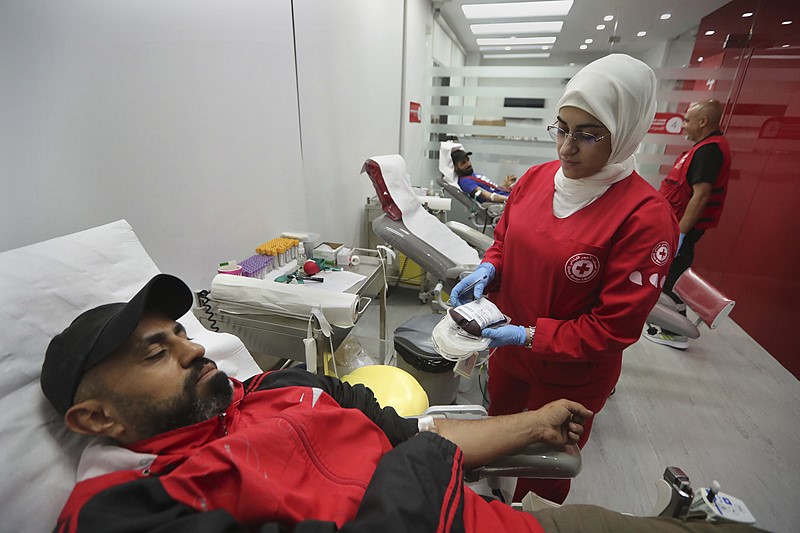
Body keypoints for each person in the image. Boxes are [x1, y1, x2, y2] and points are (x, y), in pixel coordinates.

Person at [40, 274, 762, 533]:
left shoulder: (283, 384)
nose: (195, 349)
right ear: (96, 419)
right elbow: (423, 451)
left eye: (180, 334)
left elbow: (421, 428)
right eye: (155, 353)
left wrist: (533, 421)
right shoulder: (122, 507)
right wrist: (417, 465)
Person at [449, 54, 679, 505]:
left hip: (570, 374)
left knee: (543, 469)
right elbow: (503, 241)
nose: (566, 148)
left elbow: (614, 327)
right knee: (495, 436)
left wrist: (528, 334)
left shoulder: (645, 218)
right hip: (511, 356)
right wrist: (489, 267)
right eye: (562, 128)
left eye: (588, 135)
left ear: (626, 132)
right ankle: (487, 502)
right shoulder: (536, 180)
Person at [644, 99, 732, 350]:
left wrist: (680, 235)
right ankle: (673, 329)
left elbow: (701, 195)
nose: (683, 125)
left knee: (671, 280)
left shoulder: (709, 151)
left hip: (682, 231)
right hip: (676, 228)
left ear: (703, 121)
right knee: (670, 278)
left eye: (687, 120)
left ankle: (675, 333)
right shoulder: (703, 149)